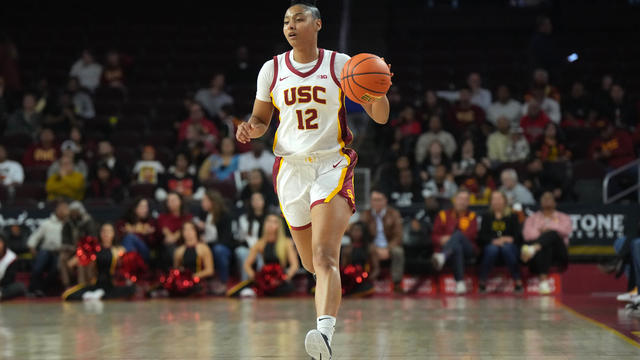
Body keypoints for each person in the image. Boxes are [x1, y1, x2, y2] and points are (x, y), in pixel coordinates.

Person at [236, 2, 391, 355]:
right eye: (286, 20)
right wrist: (251, 128)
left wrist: (378, 91)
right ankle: (327, 295)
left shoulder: (342, 65)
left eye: (299, 18)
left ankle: (324, 334)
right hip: (290, 170)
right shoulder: (271, 69)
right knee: (310, 264)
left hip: (330, 164)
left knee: (324, 256)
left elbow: (380, 117)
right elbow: (261, 119)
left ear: (318, 24)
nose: (291, 25)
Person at [62, 223, 136, 301]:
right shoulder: (93, 249)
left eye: (109, 231)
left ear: (113, 234)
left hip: (111, 286)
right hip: (96, 284)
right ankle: (96, 295)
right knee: (67, 295)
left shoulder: (119, 250)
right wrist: (83, 253)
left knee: (131, 289)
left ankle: (98, 295)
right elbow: (71, 263)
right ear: (100, 233)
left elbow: (127, 270)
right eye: (103, 231)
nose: (106, 234)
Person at [521, 191, 572, 295]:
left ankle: (533, 249)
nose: (547, 200)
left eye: (550, 198)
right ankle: (543, 281)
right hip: (540, 255)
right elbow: (527, 235)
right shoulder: (532, 218)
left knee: (553, 234)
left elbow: (566, 231)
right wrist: (544, 234)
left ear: (555, 202)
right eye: (545, 199)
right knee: (546, 246)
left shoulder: (564, 217)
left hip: (559, 254)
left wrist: (546, 229)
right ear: (540, 202)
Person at [431, 190, 478, 295]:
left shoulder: (472, 216)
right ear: (454, 200)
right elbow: (434, 236)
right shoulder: (443, 215)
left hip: (468, 249)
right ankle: (460, 283)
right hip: (451, 248)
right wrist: (441, 239)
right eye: (460, 199)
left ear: (469, 202)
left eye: (465, 200)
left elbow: (471, 235)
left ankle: (443, 256)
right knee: (457, 247)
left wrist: (451, 238)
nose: (462, 202)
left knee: (458, 235)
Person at [242, 213, 300, 296]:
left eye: (274, 222)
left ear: (279, 226)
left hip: (280, 279)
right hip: (265, 279)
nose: (270, 224)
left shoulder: (286, 243)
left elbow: (294, 265)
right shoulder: (260, 243)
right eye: (268, 221)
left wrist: (286, 278)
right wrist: (255, 277)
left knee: (284, 289)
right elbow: (247, 265)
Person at [359, 190, 405, 292]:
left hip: (389, 245)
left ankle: (397, 284)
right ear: (371, 201)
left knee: (398, 252)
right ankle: (365, 281)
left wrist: (387, 249)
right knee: (365, 249)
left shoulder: (394, 214)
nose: (377, 203)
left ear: (385, 201)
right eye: (374, 200)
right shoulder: (365, 215)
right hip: (372, 246)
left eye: (379, 200)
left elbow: (398, 236)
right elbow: (362, 236)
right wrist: (376, 248)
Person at [477, 191, 523, 293]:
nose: (496, 201)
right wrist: (493, 240)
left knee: (506, 248)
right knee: (492, 249)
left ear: (505, 201)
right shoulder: (487, 216)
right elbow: (481, 236)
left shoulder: (512, 216)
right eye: (494, 199)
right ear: (490, 202)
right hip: (492, 245)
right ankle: (482, 282)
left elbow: (518, 236)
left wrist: (508, 239)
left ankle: (518, 280)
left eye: (499, 198)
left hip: (509, 247)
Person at [195, 190, 234, 294]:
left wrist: (207, 242)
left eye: (204, 201)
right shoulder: (203, 214)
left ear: (212, 202)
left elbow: (225, 239)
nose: (202, 203)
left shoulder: (225, 215)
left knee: (218, 250)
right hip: (208, 245)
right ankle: (199, 282)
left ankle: (224, 282)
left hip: (223, 246)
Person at [27, 201, 69, 296]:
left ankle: (42, 289)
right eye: (62, 209)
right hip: (46, 250)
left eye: (66, 209)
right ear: (57, 210)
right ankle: (33, 289)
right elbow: (34, 238)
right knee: (38, 267)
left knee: (55, 269)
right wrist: (32, 247)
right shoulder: (47, 223)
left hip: (61, 252)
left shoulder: (69, 224)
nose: (64, 211)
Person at [60, 201, 98, 288]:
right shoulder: (68, 223)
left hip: (87, 251)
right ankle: (67, 284)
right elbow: (65, 240)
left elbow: (91, 240)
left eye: (75, 211)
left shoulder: (88, 222)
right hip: (72, 249)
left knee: (81, 260)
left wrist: (79, 252)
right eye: (72, 212)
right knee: (62, 258)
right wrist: (72, 248)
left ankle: (83, 286)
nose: (74, 214)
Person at [235, 192, 268, 281]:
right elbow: (241, 237)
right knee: (242, 253)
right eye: (254, 199)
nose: (256, 202)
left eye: (259, 199)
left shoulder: (269, 218)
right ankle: (245, 282)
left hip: (265, 247)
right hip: (248, 248)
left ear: (264, 201)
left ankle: (262, 281)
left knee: (263, 256)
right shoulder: (244, 218)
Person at [340, 221, 378, 297]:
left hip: (365, 280)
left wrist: (367, 278)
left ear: (364, 232)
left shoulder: (370, 248)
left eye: (358, 230)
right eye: (354, 230)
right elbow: (343, 268)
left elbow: (376, 268)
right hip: (351, 282)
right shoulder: (347, 249)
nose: (355, 233)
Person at [157, 192, 193, 271]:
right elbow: (166, 232)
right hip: (169, 247)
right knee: (170, 244)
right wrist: (175, 236)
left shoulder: (187, 216)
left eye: (173, 200)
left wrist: (177, 236)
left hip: (185, 244)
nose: (170, 203)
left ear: (180, 201)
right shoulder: (162, 217)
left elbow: (186, 230)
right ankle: (180, 269)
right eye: (168, 201)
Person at [116, 197, 157, 264]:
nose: (145, 210)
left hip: (146, 253)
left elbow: (153, 243)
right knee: (129, 240)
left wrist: (133, 231)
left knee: (130, 237)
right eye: (142, 207)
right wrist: (142, 232)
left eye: (146, 207)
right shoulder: (124, 222)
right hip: (127, 250)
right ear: (134, 208)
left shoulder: (151, 222)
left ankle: (127, 266)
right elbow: (117, 237)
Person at [0, 233, 27, 301]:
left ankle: (1, 295)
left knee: (20, 286)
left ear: (4, 244)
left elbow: (9, 280)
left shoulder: (11, 257)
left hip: (2, 286)